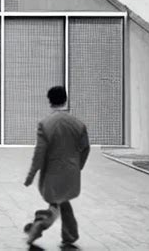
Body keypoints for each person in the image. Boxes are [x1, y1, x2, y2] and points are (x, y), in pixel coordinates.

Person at [23, 86, 90, 248]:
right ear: (65, 99)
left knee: (55, 204)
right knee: (63, 201)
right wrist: (78, 166)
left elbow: (39, 154)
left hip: (52, 175)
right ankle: (70, 236)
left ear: (50, 101)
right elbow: (86, 148)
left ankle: (40, 223)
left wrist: (31, 176)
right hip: (71, 174)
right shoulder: (78, 124)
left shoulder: (45, 124)